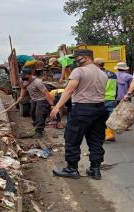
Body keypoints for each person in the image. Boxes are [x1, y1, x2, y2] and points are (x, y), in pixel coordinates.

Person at [50, 49, 108, 180]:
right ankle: (95, 169)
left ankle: (71, 169)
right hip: (100, 109)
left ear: (86, 58)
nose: (74, 61)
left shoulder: (79, 71)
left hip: (82, 110)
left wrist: (57, 107)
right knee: (96, 140)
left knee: (72, 139)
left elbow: (69, 90)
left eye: (76, 58)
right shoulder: (102, 73)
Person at [17, 68, 55, 138]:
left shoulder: (38, 82)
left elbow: (46, 93)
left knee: (39, 115)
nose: (23, 77)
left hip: (42, 100)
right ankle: (36, 127)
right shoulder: (22, 80)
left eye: (25, 75)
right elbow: (23, 88)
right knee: (32, 113)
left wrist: (52, 105)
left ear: (30, 75)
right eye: (22, 75)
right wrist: (21, 96)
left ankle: (39, 132)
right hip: (34, 99)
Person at [94, 58, 118, 142]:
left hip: (99, 99)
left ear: (96, 64)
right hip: (111, 98)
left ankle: (101, 136)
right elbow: (116, 87)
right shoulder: (113, 74)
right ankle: (110, 134)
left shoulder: (95, 74)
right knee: (110, 117)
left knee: (99, 118)